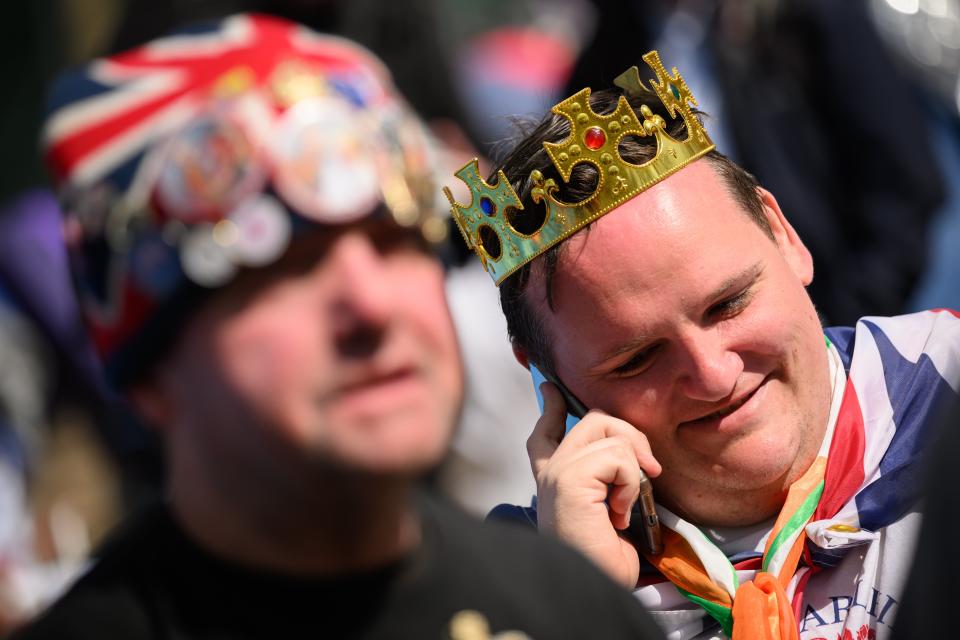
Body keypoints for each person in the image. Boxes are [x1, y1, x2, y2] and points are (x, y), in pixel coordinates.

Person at [12, 14, 666, 639]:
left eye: (395, 241)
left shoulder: (576, 613)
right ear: (150, 373)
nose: (371, 305)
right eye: (286, 267)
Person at [446, 50, 960, 639]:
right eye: (637, 358)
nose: (714, 377)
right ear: (545, 377)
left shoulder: (949, 386)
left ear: (784, 235)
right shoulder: (514, 590)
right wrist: (579, 602)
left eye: (729, 303)